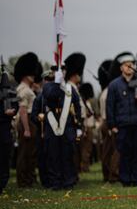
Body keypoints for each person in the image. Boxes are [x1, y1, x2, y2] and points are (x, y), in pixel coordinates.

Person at [106, 52, 137, 186]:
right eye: (126, 65)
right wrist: (112, 125)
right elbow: (110, 106)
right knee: (124, 152)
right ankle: (125, 180)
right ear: (121, 68)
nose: (128, 67)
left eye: (131, 65)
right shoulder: (114, 85)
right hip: (123, 124)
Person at [38, 53, 84, 190]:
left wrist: (79, 126)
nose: (60, 72)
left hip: (68, 126)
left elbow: (77, 106)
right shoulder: (48, 87)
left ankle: (68, 181)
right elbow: (51, 95)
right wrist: (58, 84)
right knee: (53, 156)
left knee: (68, 155)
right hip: (52, 127)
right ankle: (55, 182)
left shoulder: (70, 88)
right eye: (57, 70)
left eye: (62, 70)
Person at [14, 52, 41, 187]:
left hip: (31, 120)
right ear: (26, 75)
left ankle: (29, 178)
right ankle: (24, 180)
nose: (34, 76)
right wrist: (26, 129)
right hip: (27, 120)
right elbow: (23, 110)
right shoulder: (24, 90)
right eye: (31, 74)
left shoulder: (27, 89)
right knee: (25, 153)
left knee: (30, 152)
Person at [97, 59, 120, 183]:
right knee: (116, 150)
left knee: (106, 150)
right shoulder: (111, 90)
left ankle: (107, 174)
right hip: (110, 121)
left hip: (104, 121)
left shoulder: (104, 91)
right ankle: (114, 175)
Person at [1, 61, 20, 194]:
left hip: (5, 128)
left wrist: (13, 111)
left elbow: (15, 105)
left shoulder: (8, 89)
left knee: (5, 156)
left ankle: (2, 183)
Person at [77, 83, 96, 174]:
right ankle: (84, 167)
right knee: (86, 149)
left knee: (87, 149)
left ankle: (85, 166)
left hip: (89, 126)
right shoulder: (85, 102)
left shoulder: (86, 102)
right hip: (87, 127)